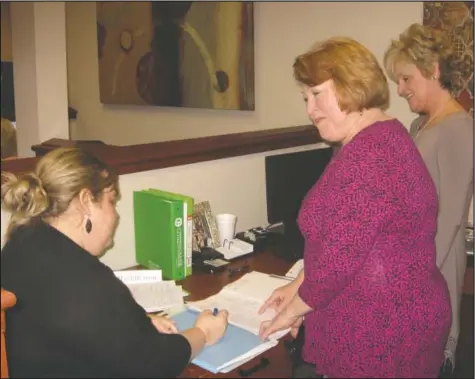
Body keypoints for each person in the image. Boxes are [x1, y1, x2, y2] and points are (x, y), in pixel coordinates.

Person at [258, 37, 451, 378]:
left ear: (353, 85)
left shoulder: (369, 157)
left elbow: (337, 261)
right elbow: (341, 240)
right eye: (306, 98)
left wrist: (292, 312)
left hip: (381, 333)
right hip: (399, 317)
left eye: (317, 94)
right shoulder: (381, 136)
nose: (310, 109)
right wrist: (297, 285)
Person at [1, 147, 229, 378]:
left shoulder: (22, 240)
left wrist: (133, 323)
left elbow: (64, 320)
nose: (116, 215)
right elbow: (153, 363)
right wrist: (203, 332)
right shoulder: (85, 279)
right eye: (111, 201)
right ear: (86, 201)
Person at [384, 23, 474, 375]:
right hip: (411, 263)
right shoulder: (419, 126)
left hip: (433, 268)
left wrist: (413, 278)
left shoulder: (459, 128)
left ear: (433, 70)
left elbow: (451, 216)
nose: (400, 88)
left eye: (406, 79)